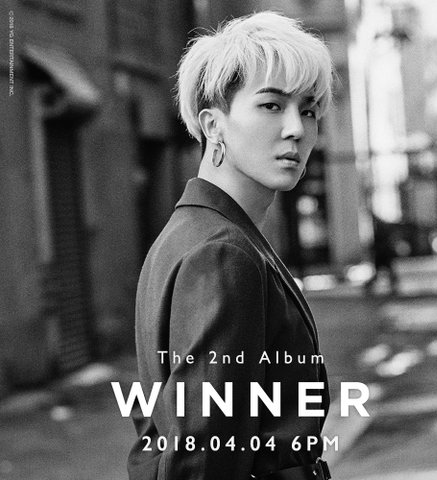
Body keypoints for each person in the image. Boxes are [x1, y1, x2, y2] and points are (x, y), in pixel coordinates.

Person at [127, 11, 333, 480]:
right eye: (271, 105)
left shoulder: (193, 233)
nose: (297, 128)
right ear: (213, 125)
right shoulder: (222, 253)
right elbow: (203, 459)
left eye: (308, 110)